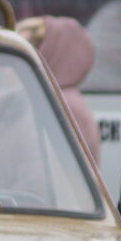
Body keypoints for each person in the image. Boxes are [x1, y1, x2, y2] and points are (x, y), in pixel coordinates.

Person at [17, 15, 101, 165]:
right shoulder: (42, 98)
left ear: (48, 52)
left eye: (25, 51)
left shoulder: (65, 105)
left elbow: (42, 172)